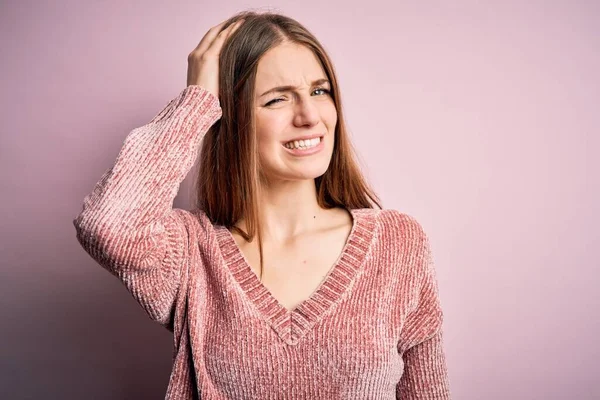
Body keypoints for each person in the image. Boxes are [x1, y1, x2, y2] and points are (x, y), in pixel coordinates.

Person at [73, 10, 451, 399]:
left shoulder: (398, 242)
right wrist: (196, 103)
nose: (309, 116)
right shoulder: (191, 253)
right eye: (277, 100)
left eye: (319, 91)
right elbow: (109, 227)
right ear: (232, 117)